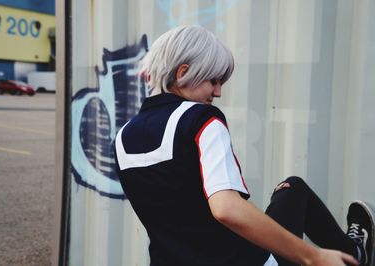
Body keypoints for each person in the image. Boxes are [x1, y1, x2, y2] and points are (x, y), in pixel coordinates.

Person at [114, 25, 375, 266]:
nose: (218, 93)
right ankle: (356, 254)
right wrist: (313, 256)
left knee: (289, 193)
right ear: (183, 73)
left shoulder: (123, 137)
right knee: (294, 190)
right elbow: (227, 209)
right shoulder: (201, 119)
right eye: (213, 81)